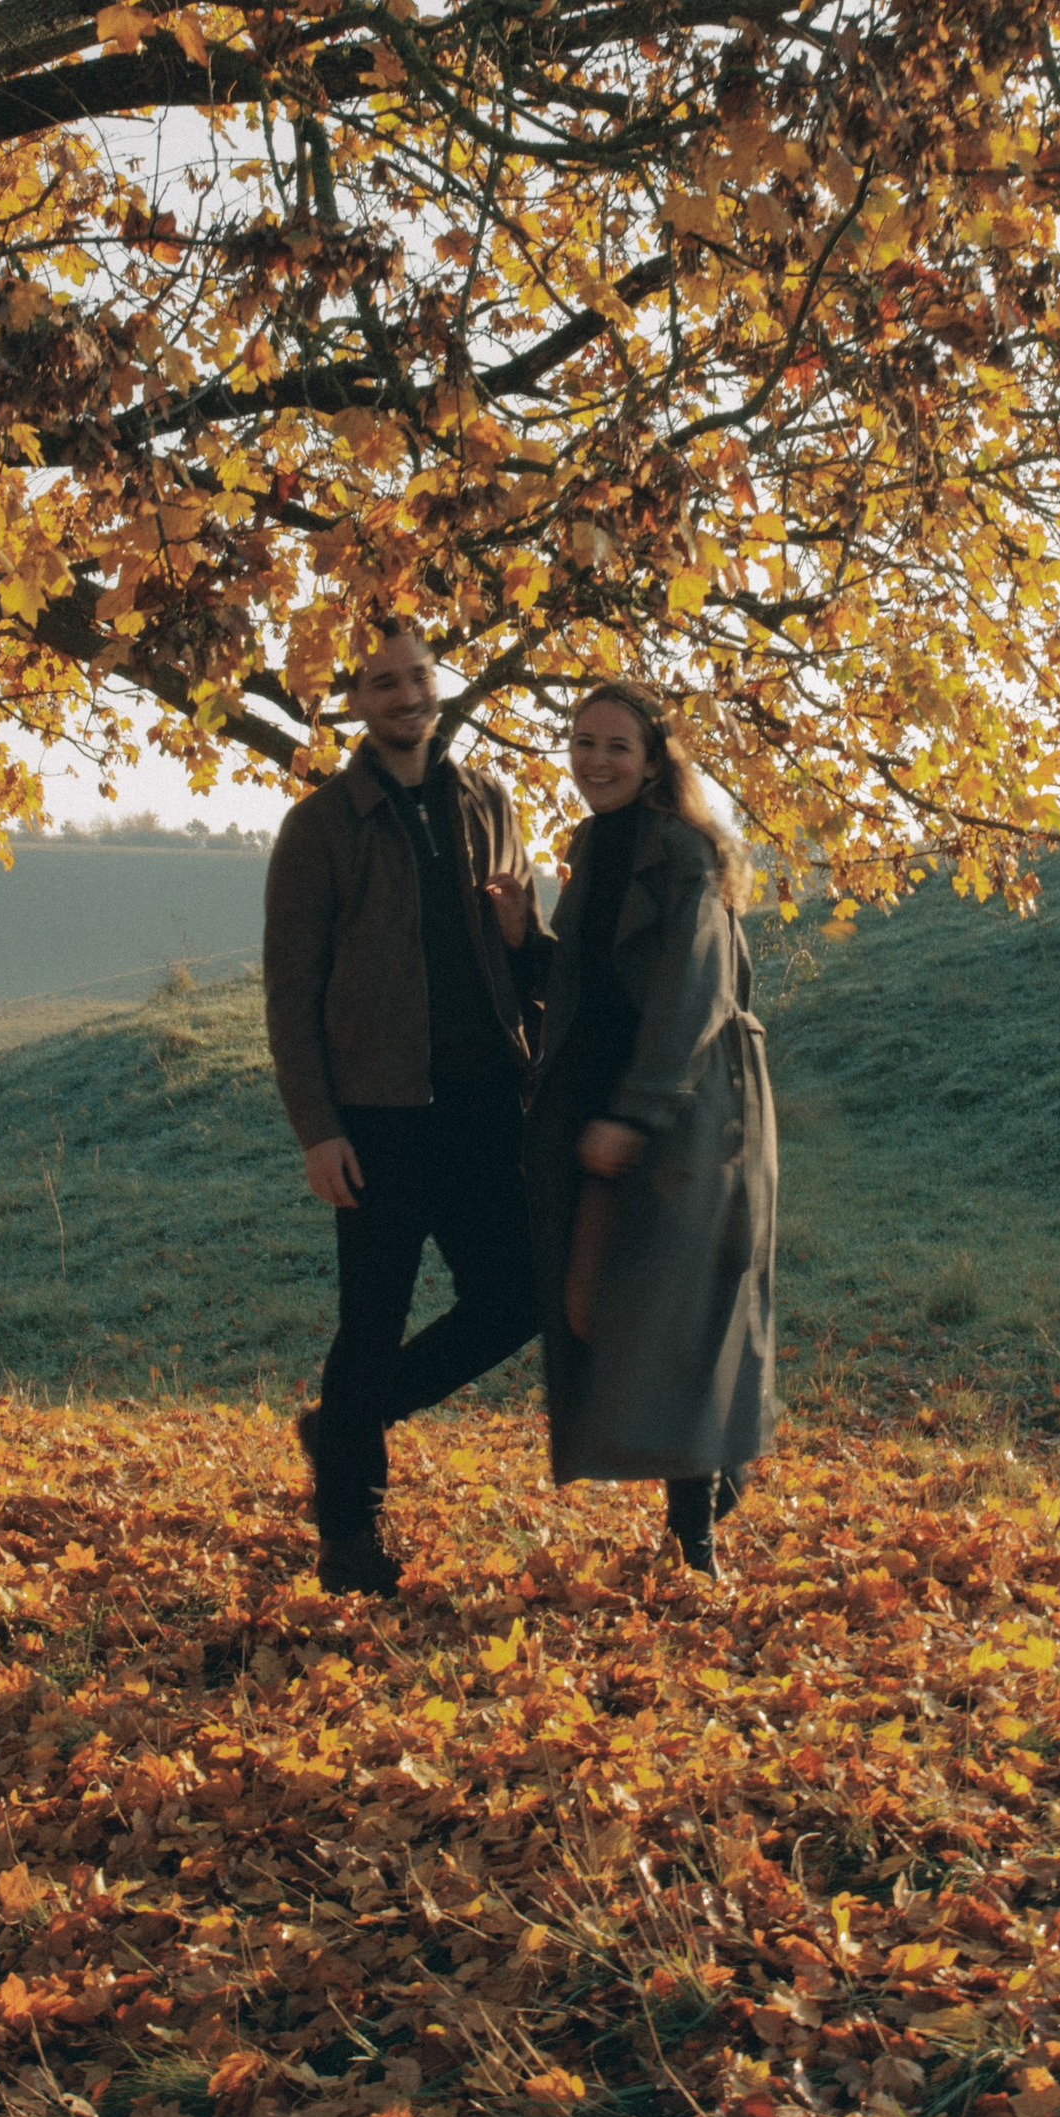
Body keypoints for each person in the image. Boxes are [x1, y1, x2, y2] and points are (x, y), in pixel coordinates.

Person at [262, 623, 546, 1595]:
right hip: (375, 1120)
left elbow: (520, 950)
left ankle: (343, 1426)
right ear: (355, 702)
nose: (404, 695)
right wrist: (317, 1129)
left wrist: (523, 933)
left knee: (518, 1297)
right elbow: (288, 994)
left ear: (438, 683)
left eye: (417, 676)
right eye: (381, 683)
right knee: (370, 1323)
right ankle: (350, 1542)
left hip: (480, 1108)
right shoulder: (320, 827)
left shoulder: (487, 799)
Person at [528, 683, 777, 1576]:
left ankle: (696, 1537)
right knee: (598, 1305)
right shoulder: (594, 845)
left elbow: (694, 992)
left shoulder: (684, 853)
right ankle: (721, 1472)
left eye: (617, 747)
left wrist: (636, 1114)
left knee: (681, 1313)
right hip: (608, 1105)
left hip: (690, 1110)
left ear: (653, 758)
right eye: (582, 742)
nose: (595, 760)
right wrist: (522, 938)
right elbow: (591, 982)